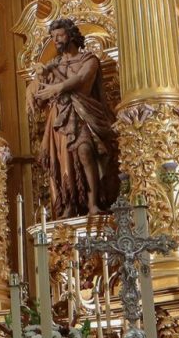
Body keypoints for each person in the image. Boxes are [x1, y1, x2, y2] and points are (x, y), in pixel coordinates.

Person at [32, 19, 119, 218]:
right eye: (53, 37)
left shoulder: (89, 59)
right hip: (59, 117)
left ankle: (93, 203)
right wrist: (40, 78)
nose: (56, 40)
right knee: (64, 160)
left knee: (85, 151)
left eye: (60, 35)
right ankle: (70, 204)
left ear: (71, 35)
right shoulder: (53, 65)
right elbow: (40, 93)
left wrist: (58, 87)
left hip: (83, 113)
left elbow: (81, 79)